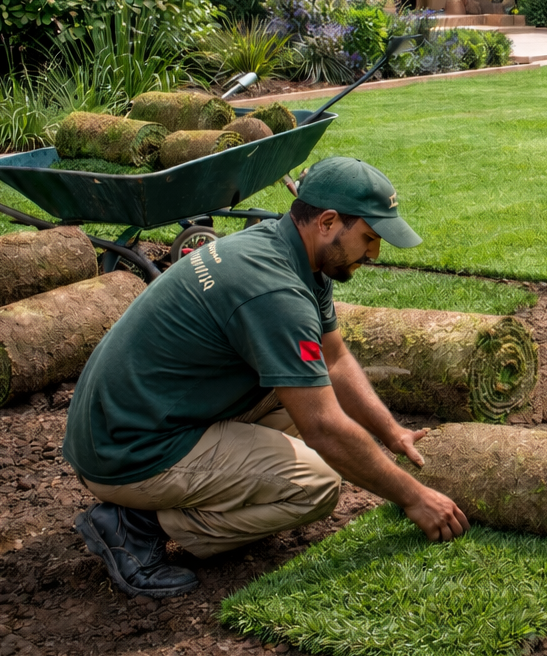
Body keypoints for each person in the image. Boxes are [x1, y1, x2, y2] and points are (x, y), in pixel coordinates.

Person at [62, 157, 469, 598]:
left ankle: (180, 494)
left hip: (131, 419)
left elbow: (332, 360)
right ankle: (136, 525)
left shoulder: (289, 252)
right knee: (315, 485)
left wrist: (392, 433)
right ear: (328, 222)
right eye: (369, 238)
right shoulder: (275, 292)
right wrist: (413, 497)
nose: (373, 253)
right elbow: (323, 428)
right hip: (130, 453)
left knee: (306, 391)